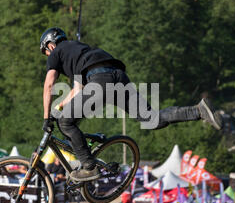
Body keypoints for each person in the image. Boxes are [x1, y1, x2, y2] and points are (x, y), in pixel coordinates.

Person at [40, 27, 223, 182]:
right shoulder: (80, 52)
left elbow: (49, 84)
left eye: (46, 52)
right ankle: (198, 110)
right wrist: (59, 107)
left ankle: (89, 166)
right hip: (116, 75)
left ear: (51, 45)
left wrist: (47, 117)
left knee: (66, 123)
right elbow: (77, 91)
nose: (48, 56)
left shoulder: (56, 53)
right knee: (152, 119)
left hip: (100, 80)